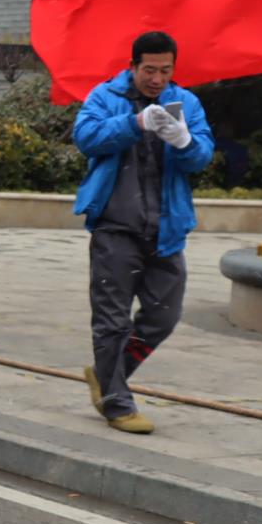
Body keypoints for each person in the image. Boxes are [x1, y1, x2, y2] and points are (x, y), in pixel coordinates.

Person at [73, 30, 215, 434]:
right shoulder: (106, 97)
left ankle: (108, 374)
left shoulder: (187, 102)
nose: (157, 78)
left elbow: (203, 156)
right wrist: (133, 123)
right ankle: (117, 402)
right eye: (149, 70)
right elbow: (86, 138)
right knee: (112, 320)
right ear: (133, 66)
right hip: (116, 228)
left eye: (165, 70)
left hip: (167, 230)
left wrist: (185, 141)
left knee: (163, 316)